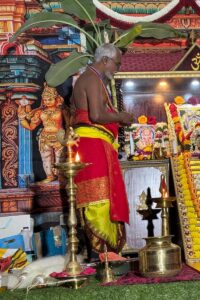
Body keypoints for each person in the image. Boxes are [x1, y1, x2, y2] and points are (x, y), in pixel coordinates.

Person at [70, 43, 133, 258]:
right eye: (117, 64)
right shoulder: (92, 79)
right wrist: (121, 117)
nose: (117, 68)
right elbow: (96, 116)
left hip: (93, 144)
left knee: (100, 196)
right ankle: (103, 254)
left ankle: (104, 255)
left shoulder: (90, 78)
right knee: (100, 198)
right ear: (105, 60)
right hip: (92, 145)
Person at [17, 84, 64, 183]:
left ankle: (60, 176)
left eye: (50, 99)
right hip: (44, 138)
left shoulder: (62, 111)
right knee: (46, 158)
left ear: (56, 99)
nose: (47, 102)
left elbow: (70, 122)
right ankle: (50, 176)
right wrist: (21, 118)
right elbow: (31, 127)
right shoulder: (40, 112)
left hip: (59, 137)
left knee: (60, 158)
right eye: (45, 100)